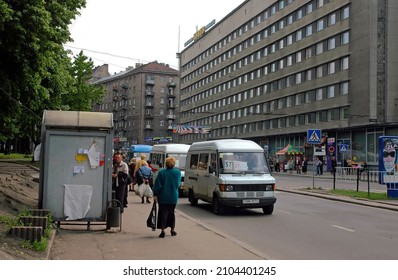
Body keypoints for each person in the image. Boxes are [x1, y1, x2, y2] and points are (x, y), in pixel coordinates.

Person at [152, 156, 182, 238]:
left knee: (163, 213)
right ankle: (172, 230)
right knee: (172, 213)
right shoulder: (178, 173)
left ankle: (163, 230)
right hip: (173, 196)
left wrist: (155, 194)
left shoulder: (162, 173)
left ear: (166, 164)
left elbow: (158, 185)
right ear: (174, 164)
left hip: (163, 196)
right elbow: (178, 184)